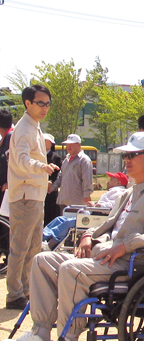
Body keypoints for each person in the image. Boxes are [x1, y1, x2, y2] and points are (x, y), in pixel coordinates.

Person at [0, 132, 144, 341]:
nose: (126, 160)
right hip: (106, 257)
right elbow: (109, 226)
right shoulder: (128, 193)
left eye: (132, 155)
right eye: (126, 155)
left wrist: (125, 246)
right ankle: (41, 334)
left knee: (71, 269)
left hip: (132, 266)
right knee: (42, 259)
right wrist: (89, 236)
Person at [6, 84, 59, 310]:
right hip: (26, 194)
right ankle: (15, 293)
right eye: (40, 103)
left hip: (34, 193)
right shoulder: (25, 128)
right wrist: (41, 167)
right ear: (27, 103)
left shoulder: (34, 126)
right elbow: (22, 159)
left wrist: (41, 173)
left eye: (47, 103)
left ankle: (25, 290)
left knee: (33, 246)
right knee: (21, 245)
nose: (45, 108)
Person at [42, 171, 128, 250]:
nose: (108, 181)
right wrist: (95, 204)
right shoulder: (113, 191)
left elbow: (114, 206)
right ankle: (43, 237)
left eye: (111, 179)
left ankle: (50, 243)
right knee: (61, 219)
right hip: (94, 213)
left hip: (98, 217)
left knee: (68, 223)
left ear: (118, 182)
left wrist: (99, 205)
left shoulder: (120, 192)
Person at [50, 134, 94, 212]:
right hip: (64, 202)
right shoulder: (66, 159)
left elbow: (87, 179)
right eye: (67, 144)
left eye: (71, 145)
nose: (68, 147)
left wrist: (87, 195)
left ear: (79, 145)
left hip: (77, 203)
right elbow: (61, 177)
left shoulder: (84, 160)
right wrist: (51, 187)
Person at [43, 134, 63, 225]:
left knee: (50, 215)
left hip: (50, 192)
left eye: (45, 141)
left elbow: (58, 173)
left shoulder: (55, 157)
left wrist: (51, 182)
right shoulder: (38, 156)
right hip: (39, 189)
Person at [0, 109, 13, 208]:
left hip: (8, 188)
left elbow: (11, 162)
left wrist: (8, 182)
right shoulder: (6, 138)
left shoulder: (10, 137)